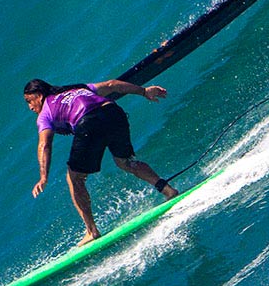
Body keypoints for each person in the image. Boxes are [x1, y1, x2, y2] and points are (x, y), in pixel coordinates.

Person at [24, 78, 178, 241]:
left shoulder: (45, 114)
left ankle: (91, 231)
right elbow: (112, 85)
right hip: (113, 113)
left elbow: (44, 145)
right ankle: (168, 190)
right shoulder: (77, 89)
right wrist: (144, 91)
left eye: (29, 101)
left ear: (39, 95)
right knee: (125, 162)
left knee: (74, 178)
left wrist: (43, 177)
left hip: (88, 123)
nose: (30, 107)